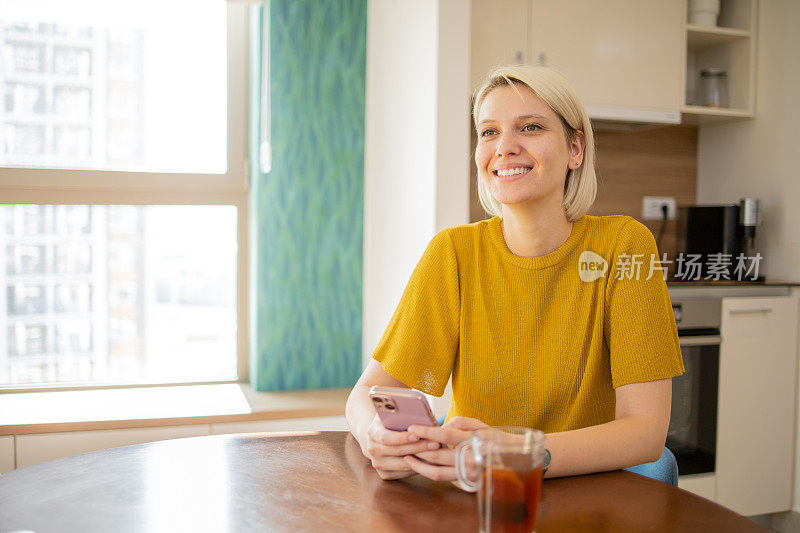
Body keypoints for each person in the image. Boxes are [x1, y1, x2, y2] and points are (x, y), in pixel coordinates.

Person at [345, 64, 684, 483]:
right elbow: (365, 394)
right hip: (479, 496)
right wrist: (373, 434)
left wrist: (515, 454)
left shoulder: (625, 246)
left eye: (530, 127)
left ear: (575, 150)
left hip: (591, 494)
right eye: (489, 132)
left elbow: (646, 434)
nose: (504, 147)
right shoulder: (453, 253)